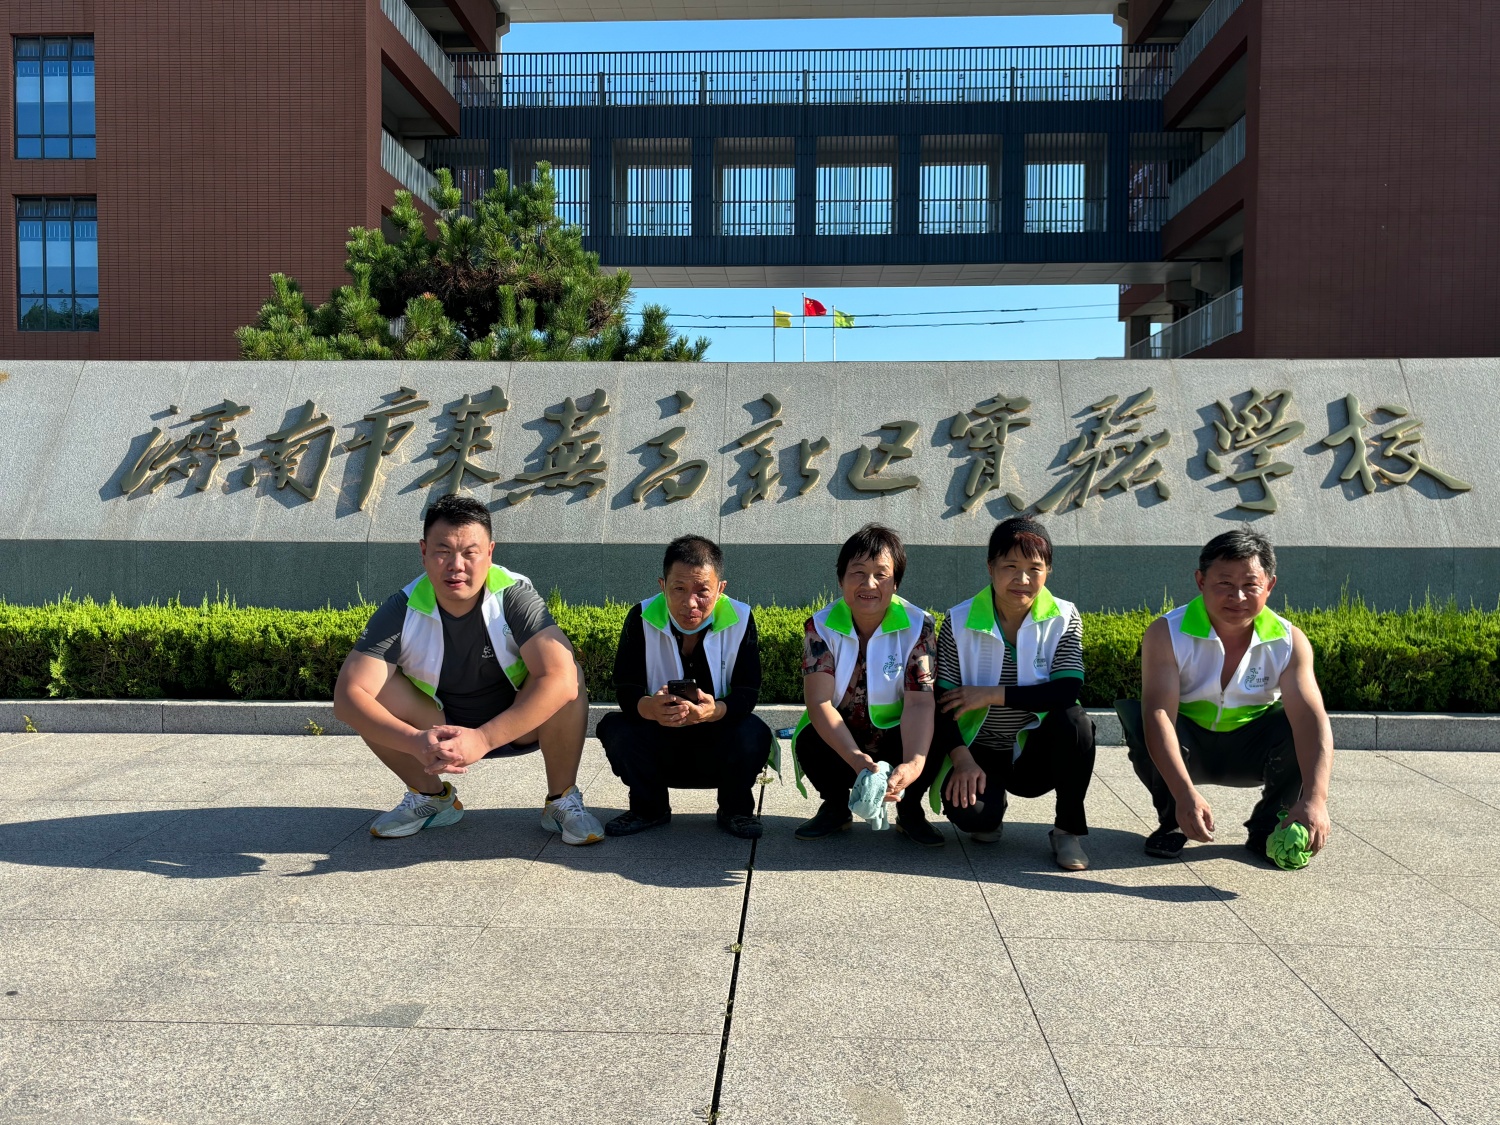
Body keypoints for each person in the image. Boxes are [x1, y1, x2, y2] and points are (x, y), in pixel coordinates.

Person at [333, 494, 605, 844]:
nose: (456, 565)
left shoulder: (513, 596)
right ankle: (431, 798)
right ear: (423, 552)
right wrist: (413, 741)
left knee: (567, 674)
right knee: (368, 691)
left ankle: (561, 800)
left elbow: (562, 680)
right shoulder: (402, 607)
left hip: (518, 723)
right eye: (443, 551)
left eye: (470, 552)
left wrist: (483, 739)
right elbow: (347, 697)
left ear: (490, 553)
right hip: (438, 728)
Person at [1117, 528, 1334, 863]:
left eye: (1250, 584)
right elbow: (1158, 712)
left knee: (1295, 725)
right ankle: (1175, 818)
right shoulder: (1167, 632)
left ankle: (1269, 825)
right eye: (1224, 583)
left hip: (1251, 749)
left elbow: (1310, 719)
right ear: (1201, 581)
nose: (1238, 596)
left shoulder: (1289, 641)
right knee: (1142, 720)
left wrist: (1316, 800)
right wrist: (1184, 792)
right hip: (1189, 745)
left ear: (1269, 586)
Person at [933, 517, 1095, 871]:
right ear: (990, 567)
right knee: (973, 818)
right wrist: (961, 759)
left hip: (1035, 752)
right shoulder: (958, 621)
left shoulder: (1064, 616)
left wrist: (992, 695)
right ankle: (992, 809)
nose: (1022, 579)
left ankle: (1067, 831)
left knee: (1076, 722)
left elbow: (1067, 690)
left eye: (1034, 568)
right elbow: (942, 703)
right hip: (980, 749)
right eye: (1010, 567)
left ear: (1048, 571)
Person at [598, 535, 774, 840]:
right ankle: (648, 808)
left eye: (702, 591)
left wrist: (715, 711)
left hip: (717, 739)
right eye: (678, 589)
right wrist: (650, 708)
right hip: (660, 737)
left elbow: (748, 692)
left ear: (720, 589)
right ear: (662, 585)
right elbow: (626, 688)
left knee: (754, 732)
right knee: (616, 728)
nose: (690, 603)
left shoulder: (741, 618)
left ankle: (736, 809)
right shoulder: (640, 617)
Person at [791, 523, 944, 846]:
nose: (869, 584)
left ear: (896, 582)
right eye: (857, 573)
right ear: (841, 579)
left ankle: (910, 810)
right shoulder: (820, 626)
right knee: (809, 740)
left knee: (934, 733)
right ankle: (835, 807)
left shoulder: (919, 625)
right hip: (845, 734)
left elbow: (920, 702)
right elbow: (819, 702)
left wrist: (913, 764)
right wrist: (856, 759)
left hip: (896, 733)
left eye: (881, 574)